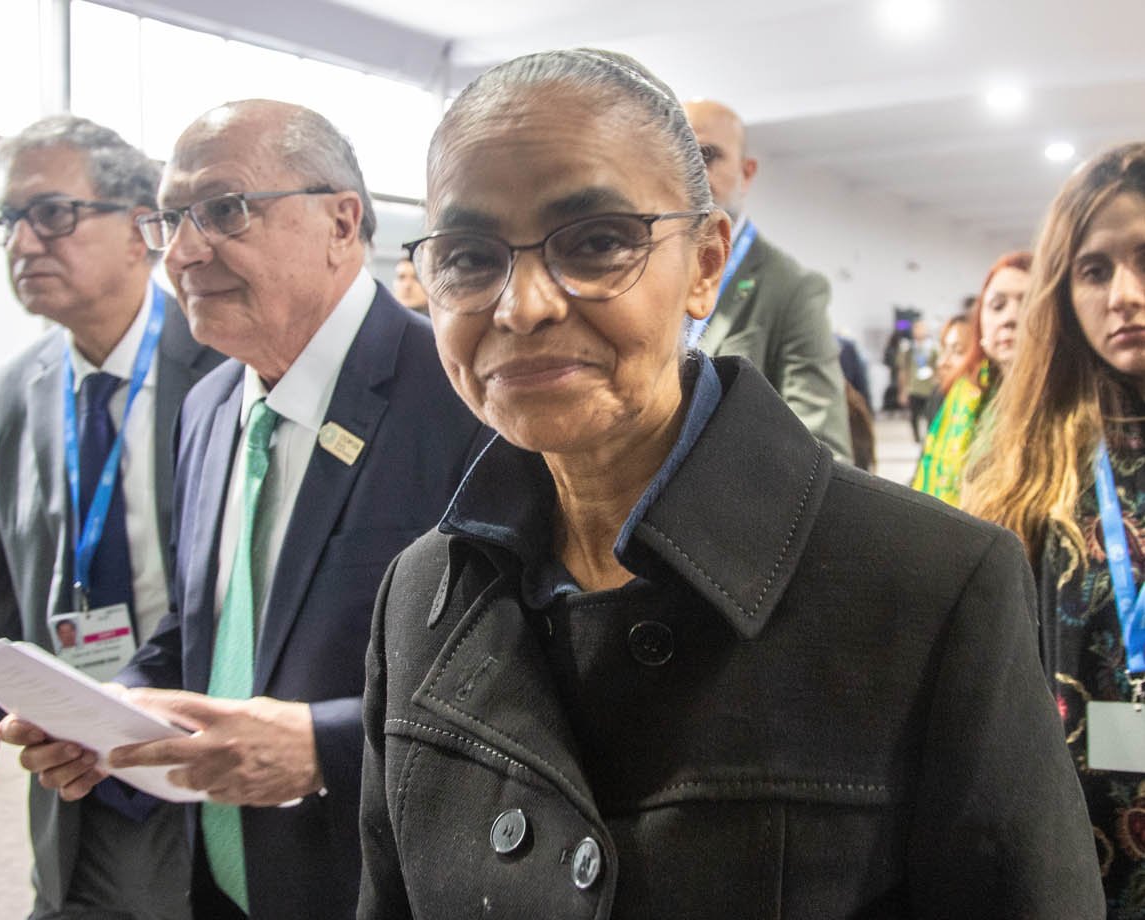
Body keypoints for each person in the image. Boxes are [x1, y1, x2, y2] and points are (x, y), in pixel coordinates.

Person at [356, 48, 1103, 918]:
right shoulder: (424, 595)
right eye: (469, 257)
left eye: (597, 243)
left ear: (706, 264)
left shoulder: (932, 584)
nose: (522, 306)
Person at [0, 100, 487, 920]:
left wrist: (324, 749)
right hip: (221, 881)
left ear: (341, 221)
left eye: (224, 210)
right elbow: (203, 626)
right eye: (171, 220)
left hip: (377, 884)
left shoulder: (459, 396)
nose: (182, 253)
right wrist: (109, 708)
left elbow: (528, 678)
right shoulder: (213, 402)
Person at [0, 115, 223, 919]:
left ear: (143, 228)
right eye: (8, 221)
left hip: (214, 763)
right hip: (71, 773)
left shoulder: (228, 362)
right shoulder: (9, 392)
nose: (23, 243)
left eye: (53, 215)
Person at [963, 142, 1145, 916]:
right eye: (1094, 270)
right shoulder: (1029, 457)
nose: (1124, 295)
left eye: (1144, 258)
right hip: (1083, 833)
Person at [681, 98, 852, 462]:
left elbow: (823, 453)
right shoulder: (643, 270)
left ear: (747, 173)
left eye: (707, 155)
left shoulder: (792, 288)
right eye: (675, 155)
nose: (689, 171)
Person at [912, 253, 1030, 506]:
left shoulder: (1076, 404)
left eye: (1028, 303)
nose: (1010, 318)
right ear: (981, 326)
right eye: (998, 306)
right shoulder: (960, 396)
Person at [896, 318, 939, 442]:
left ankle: (930, 438)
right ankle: (916, 438)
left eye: (921, 328)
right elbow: (903, 370)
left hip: (929, 388)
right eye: (916, 328)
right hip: (913, 387)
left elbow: (938, 367)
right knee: (914, 416)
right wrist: (902, 390)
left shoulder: (933, 348)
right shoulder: (908, 348)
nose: (919, 331)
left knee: (931, 415)